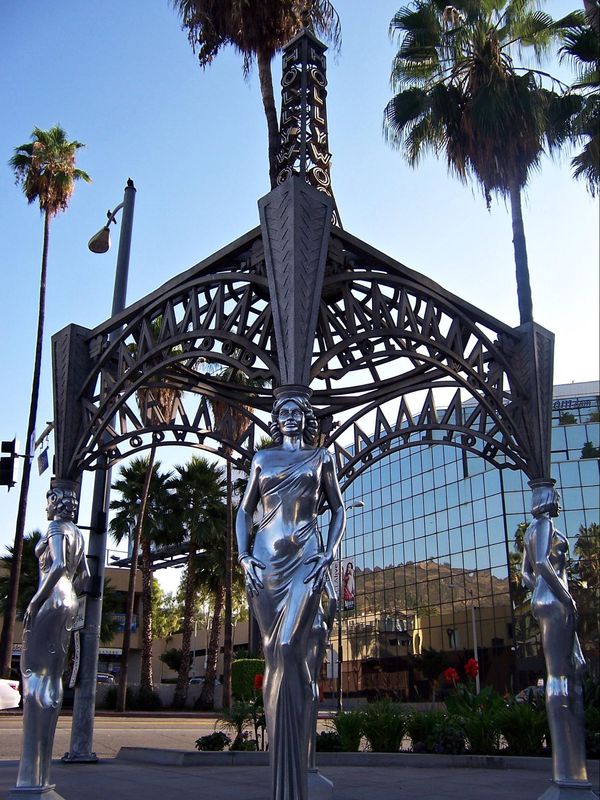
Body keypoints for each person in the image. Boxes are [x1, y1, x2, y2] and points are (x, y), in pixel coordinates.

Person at [236, 386, 345, 800]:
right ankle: (284, 767)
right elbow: (245, 510)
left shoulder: (322, 458)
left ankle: (292, 771)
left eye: (296, 410)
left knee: (287, 646)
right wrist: (245, 557)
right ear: (275, 419)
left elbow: (338, 508)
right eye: (282, 411)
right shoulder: (262, 459)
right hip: (265, 563)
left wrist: (328, 553)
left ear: (306, 416)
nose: (289, 416)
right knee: (273, 652)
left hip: (307, 560)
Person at [16, 483, 89, 790]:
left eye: (49, 500)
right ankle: (40, 774)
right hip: (70, 599)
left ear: (54, 502)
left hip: (52, 598)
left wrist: (35, 601)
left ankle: (31, 774)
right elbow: (83, 574)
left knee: (32, 674)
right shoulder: (79, 533)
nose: (47, 505)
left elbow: (58, 564)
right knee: (53, 678)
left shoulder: (56, 527)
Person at [522, 480, 589, 789]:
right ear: (547, 498)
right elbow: (540, 563)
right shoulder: (544, 525)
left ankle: (570, 766)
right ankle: (568, 768)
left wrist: (537, 590)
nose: (560, 500)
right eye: (556, 496)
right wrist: (565, 596)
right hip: (555, 601)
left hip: (544, 599)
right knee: (560, 676)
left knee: (574, 667)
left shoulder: (529, 532)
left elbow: (526, 574)